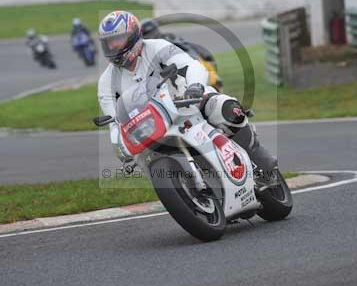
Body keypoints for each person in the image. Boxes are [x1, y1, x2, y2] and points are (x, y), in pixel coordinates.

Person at [97, 11, 278, 189]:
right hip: (152, 124)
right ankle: (182, 191)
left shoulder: (158, 47)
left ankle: (259, 159)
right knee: (140, 156)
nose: (113, 47)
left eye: (117, 40)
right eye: (108, 43)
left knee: (225, 108)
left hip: (186, 100)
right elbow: (115, 121)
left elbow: (191, 65)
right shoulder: (106, 82)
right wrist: (121, 146)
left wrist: (195, 86)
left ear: (133, 35)